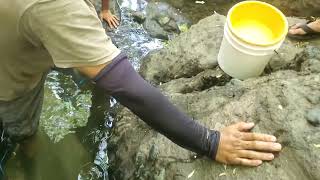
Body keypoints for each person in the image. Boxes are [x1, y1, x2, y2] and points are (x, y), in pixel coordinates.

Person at [0, 0, 282, 179]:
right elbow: (129, 89)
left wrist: (104, 10)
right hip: (11, 75)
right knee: (21, 122)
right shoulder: (53, 7)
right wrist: (210, 141)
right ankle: (28, 148)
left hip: (24, 28)